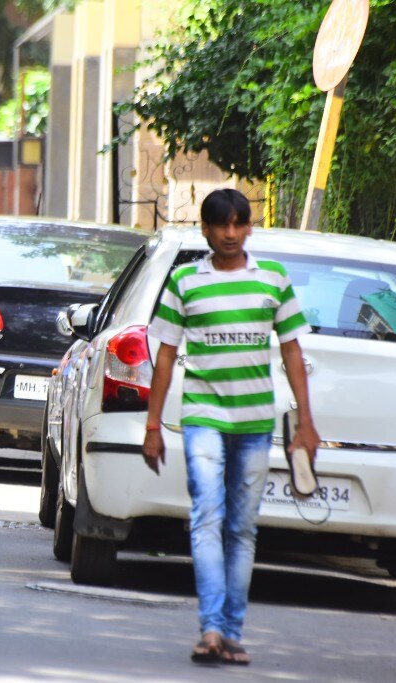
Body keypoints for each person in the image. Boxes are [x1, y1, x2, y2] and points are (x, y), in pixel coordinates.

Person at [141, 188, 319, 666]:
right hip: (203, 417)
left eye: (239, 224)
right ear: (205, 228)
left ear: (249, 228)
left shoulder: (273, 280)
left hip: (256, 421)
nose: (230, 233)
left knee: (241, 529)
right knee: (206, 517)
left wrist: (306, 424)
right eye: (221, 224)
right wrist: (153, 425)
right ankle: (212, 629)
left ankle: (233, 632)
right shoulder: (184, 282)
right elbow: (165, 358)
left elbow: (292, 352)